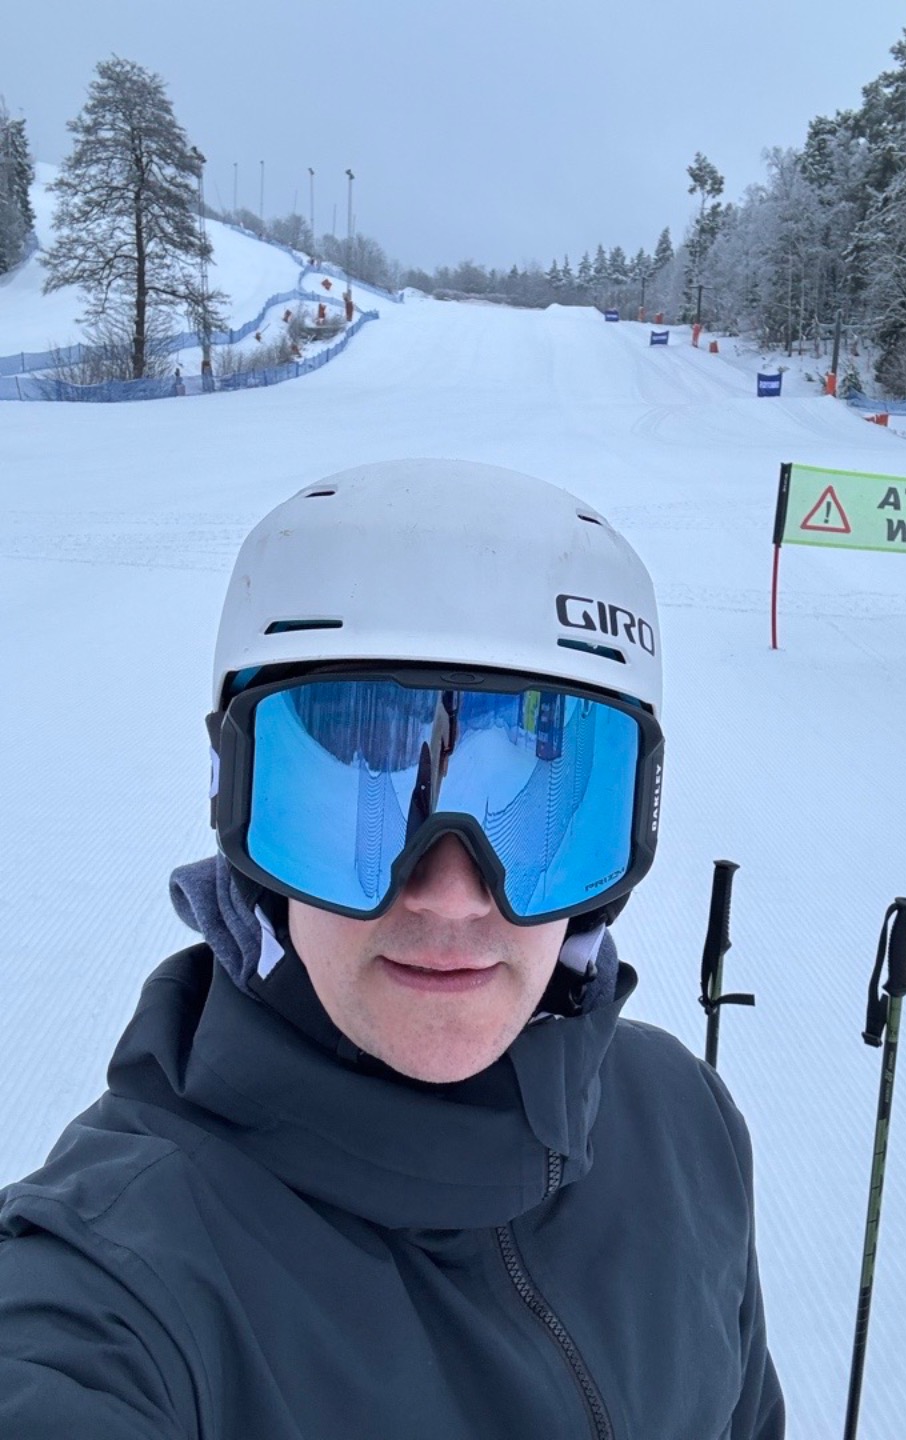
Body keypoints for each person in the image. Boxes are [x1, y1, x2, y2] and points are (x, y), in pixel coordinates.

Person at [0, 458, 784, 1438]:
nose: (452, 897)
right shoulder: (121, 1290)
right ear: (240, 810)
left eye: (529, 811)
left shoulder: (681, 1123)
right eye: (362, 788)